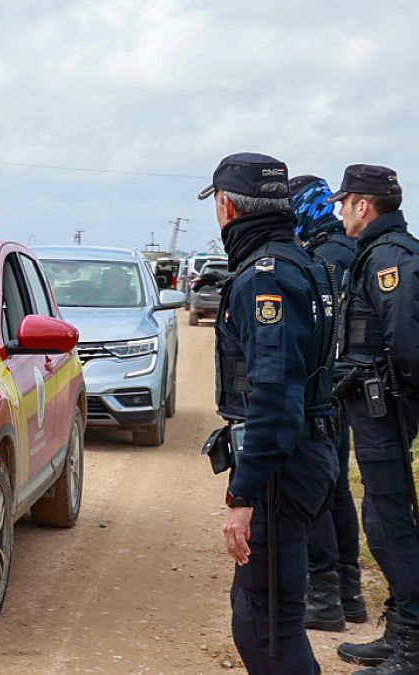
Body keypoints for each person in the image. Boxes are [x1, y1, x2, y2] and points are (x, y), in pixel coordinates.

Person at [199, 153, 337, 674]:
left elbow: (274, 395)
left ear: (226, 206)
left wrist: (244, 494)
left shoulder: (267, 276)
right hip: (307, 450)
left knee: (267, 625)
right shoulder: (304, 262)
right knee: (265, 614)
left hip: (284, 465)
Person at [327, 165, 419, 674]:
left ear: (364, 206)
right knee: (382, 520)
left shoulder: (389, 257)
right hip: (376, 404)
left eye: (345, 203)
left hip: (386, 405)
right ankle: (401, 628)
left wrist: (401, 399)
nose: (339, 212)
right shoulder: (382, 252)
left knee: (389, 523)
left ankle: (413, 645)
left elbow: (405, 340)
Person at [288, 175, 366, 633]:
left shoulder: (322, 259)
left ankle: (324, 595)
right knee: (336, 493)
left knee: (317, 493)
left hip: (325, 390)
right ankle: (348, 594)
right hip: (345, 389)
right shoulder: (348, 251)